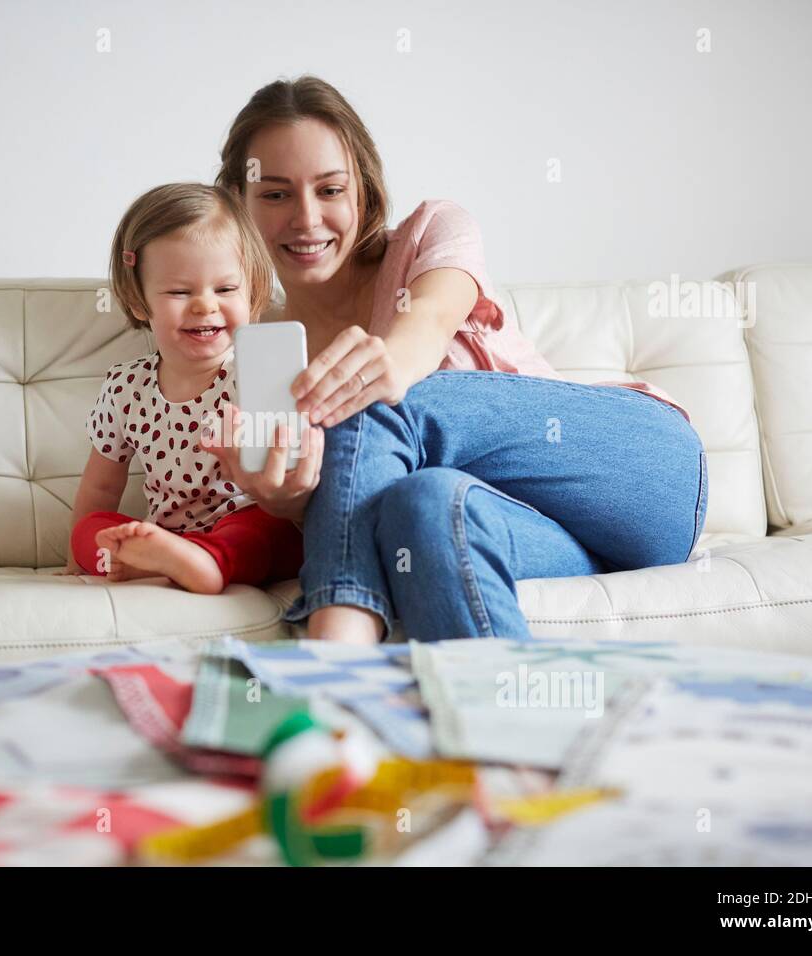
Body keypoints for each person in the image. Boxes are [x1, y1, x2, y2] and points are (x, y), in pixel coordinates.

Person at [197, 75, 708, 644]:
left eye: (331, 190)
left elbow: (429, 323)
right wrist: (290, 502)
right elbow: (353, 507)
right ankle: (493, 718)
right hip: (537, 537)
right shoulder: (258, 355)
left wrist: (387, 363)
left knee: (374, 397)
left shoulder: (431, 232)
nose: (307, 218)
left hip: (636, 469)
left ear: (363, 190)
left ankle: (335, 661)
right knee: (423, 507)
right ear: (237, 202)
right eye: (275, 194)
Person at [62, 182, 303, 595]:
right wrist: (75, 556)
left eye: (225, 289)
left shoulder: (260, 375)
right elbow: (101, 487)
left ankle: (207, 563)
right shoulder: (126, 387)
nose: (205, 305)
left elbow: (291, 479)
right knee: (92, 529)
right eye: (179, 291)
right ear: (140, 302)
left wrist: (250, 472)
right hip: (168, 535)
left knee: (268, 527)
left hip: (243, 523)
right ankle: (167, 562)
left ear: (252, 292)